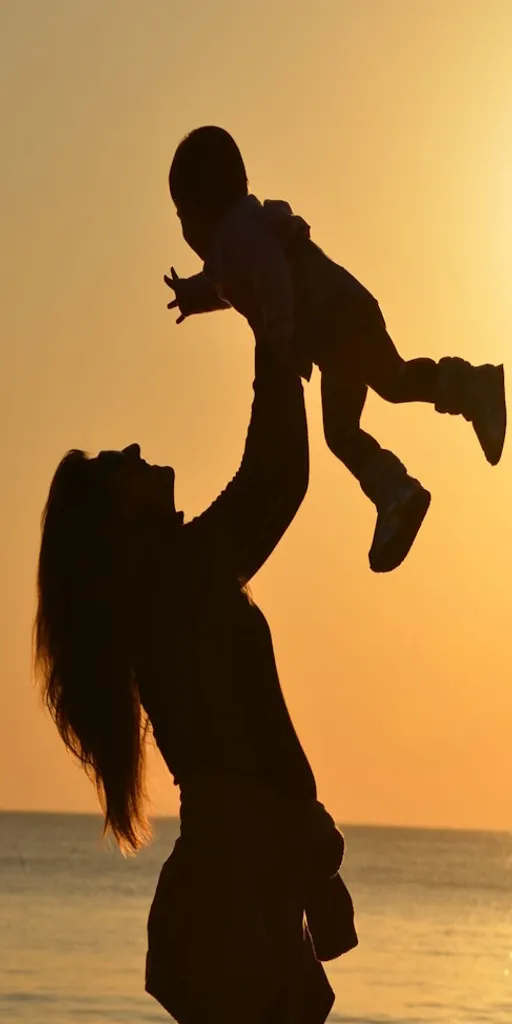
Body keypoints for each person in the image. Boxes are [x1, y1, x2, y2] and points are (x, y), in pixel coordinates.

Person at [34, 338, 357, 1024]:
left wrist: (277, 333)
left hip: (241, 887)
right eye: (111, 467)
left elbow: (279, 484)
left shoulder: (176, 582)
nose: (129, 449)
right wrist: (273, 328)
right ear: (119, 519)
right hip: (233, 894)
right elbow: (273, 480)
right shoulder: (175, 581)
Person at [165, 125, 507, 573]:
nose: (183, 230)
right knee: (384, 391)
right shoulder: (239, 238)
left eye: (181, 216)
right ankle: (403, 482)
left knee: (375, 398)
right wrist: (193, 296)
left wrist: (280, 334)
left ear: (198, 212)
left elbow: (269, 272)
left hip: (336, 318)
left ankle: (406, 478)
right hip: (338, 322)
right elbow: (226, 285)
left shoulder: (239, 236)